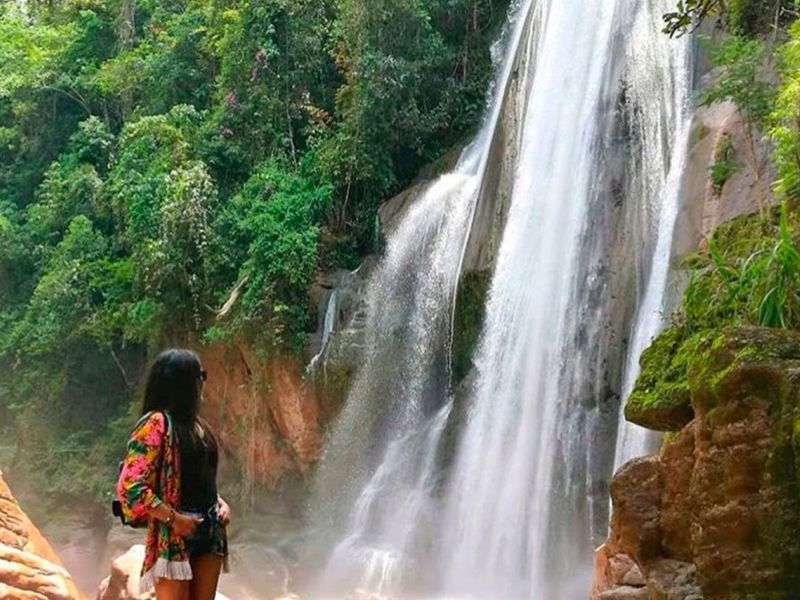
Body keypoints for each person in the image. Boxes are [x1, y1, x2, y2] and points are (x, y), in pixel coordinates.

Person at [116, 349, 231, 600]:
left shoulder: (198, 426)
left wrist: (221, 503)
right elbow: (131, 486)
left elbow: (196, 478)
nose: (201, 383)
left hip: (211, 529)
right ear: (183, 382)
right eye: (199, 376)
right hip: (175, 534)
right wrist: (174, 519)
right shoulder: (156, 423)